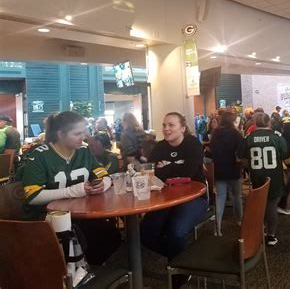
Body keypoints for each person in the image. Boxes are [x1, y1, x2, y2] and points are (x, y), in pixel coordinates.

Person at [20, 111, 120, 264]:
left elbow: (104, 175)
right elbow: (33, 197)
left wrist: (102, 185)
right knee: (87, 237)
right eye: (77, 133)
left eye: (84, 132)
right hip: (44, 219)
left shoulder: (84, 151)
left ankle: (87, 273)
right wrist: (74, 191)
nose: (84, 136)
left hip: (77, 214)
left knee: (111, 235)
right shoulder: (39, 156)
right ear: (60, 134)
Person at [141, 112, 207, 286]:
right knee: (146, 232)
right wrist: (173, 169)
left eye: (171, 125)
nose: (166, 129)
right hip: (166, 197)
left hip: (195, 197)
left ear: (182, 128)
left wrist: (166, 168)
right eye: (164, 125)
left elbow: (189, 173)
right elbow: (152, 173)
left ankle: (180, 271)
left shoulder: (193, 144)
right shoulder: (160, 147)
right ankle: (182, 260)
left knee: (175, 232)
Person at [238, 112, 289, 246]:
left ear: (255, 123)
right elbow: (286, 155)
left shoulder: (249, 137)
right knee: (272, 205)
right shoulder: (276, 136)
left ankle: (258, 231)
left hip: (256, 176)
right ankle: (271, 235)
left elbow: (242, 159)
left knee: (259, 204)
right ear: (269, 123)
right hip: (274, 176)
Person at [210, 111, 243, 236]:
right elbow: (240, 152)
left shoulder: (215, 133)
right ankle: (240, 220)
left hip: (219, 169)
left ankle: (217, 227)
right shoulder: (236, 134)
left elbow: (212, 150)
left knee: (220, 197)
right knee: (237, 196)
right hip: (234, 169)